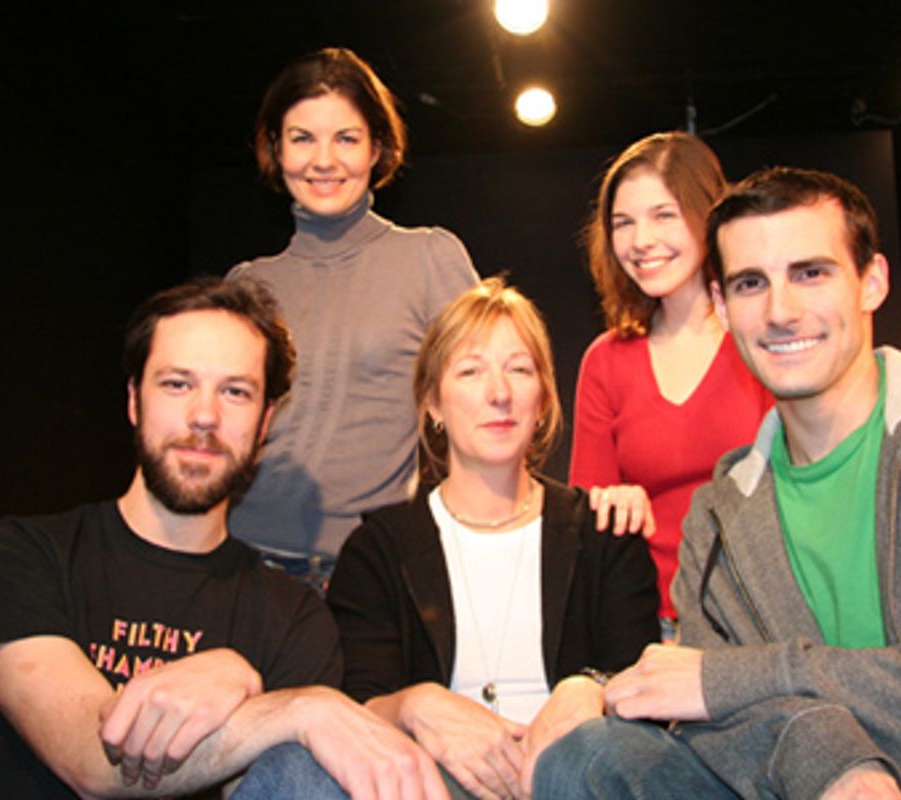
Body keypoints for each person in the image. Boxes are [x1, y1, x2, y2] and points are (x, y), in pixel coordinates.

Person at [534, 167, 901, 798]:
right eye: (750, 284)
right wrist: (841, 764)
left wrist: (746, 676)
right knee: (590, 756)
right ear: (721, 306)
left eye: (810, 273)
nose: (780, 312)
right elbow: (729, 722)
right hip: (813, 785)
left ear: (872, 281)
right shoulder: (720, 511)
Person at [0, 278, 448, 800]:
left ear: (266, 421)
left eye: (235, 392)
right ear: (135, 401)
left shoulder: (294, 619)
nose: (205, 416)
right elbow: (89, 761)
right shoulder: (19, 558)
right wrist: (292, 707)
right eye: (178, 384)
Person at [239, 278, 659, 799]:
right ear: (433, 402)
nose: (498, 393)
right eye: (470, 371)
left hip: (571, 779)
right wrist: (416, 703)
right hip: (429, 784)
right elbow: (357, 703)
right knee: (296, 768)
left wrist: (588, 689)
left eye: (519, 369)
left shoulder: (603, 533)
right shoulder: (380, 550)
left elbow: (643, 688)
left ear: (544, 399)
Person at [227, 47, 479, 587]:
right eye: (302, 138)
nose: (324, 160)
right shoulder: (246, 286)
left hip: (367, 572)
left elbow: (485, 409)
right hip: (241, 563)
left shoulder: (429, 259)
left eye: (346, 138)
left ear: (377, 148)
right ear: (274, 148)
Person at [570, 132, 772, 634]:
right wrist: (608, 504)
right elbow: (584, 515)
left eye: (664, 215)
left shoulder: (765, 337)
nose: (640, 241)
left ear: (710, 215)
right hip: (649, 624)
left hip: (761, 622)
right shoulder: (606, 360)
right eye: (623, 223)